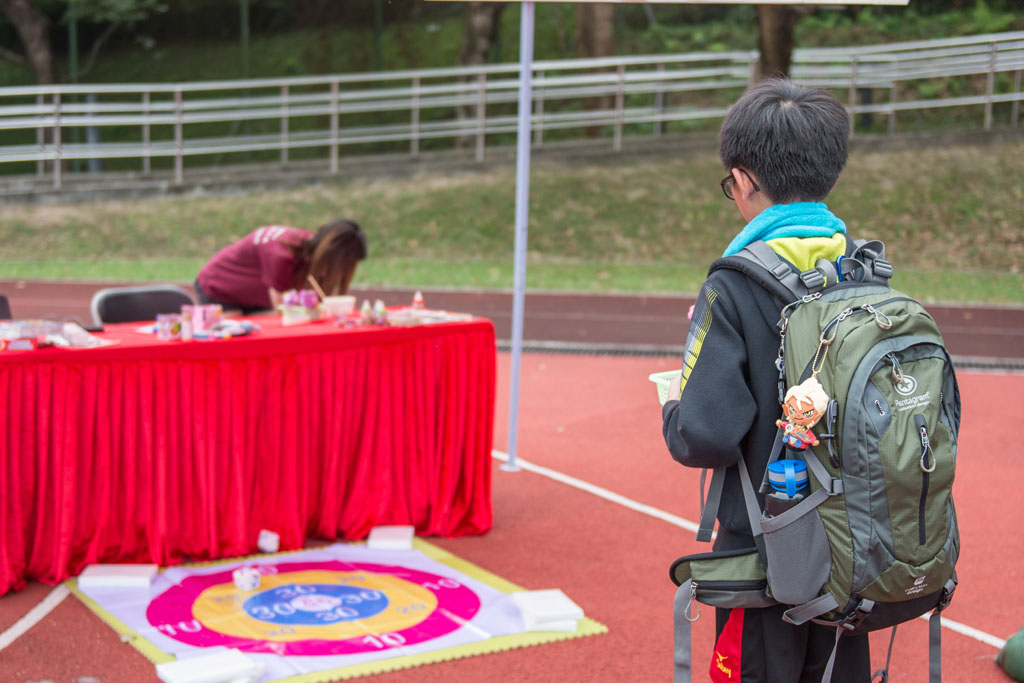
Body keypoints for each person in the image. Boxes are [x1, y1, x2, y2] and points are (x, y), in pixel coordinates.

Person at [661, 78, 871, 682]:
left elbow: (705, 435)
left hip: (763, 552)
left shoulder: (734, 284)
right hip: (852, 539)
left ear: (745, 179)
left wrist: (674, 404)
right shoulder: (862, 266)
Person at [194, 218, 367, 315]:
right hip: (218, 289)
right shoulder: (282, 254)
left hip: (255, 298)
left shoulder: (308, 249)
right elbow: (284, 311)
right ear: (331, 256)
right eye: (341, 267)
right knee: (237, 339)